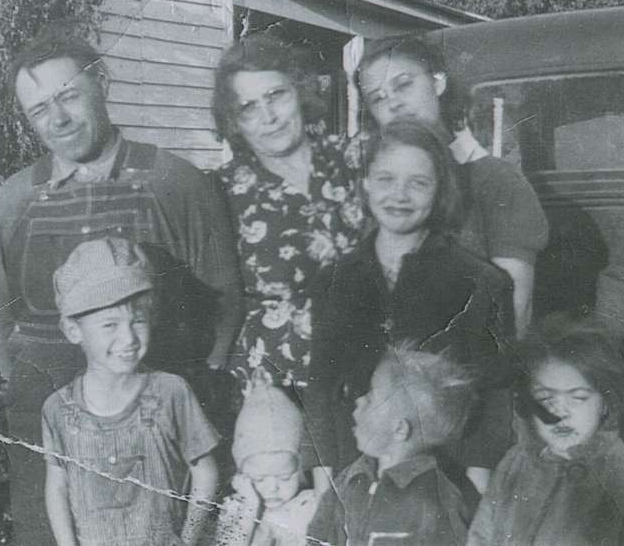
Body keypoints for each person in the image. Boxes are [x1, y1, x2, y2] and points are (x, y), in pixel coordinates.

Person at [0, 26, 243, 543]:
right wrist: (36, 393)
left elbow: (225, 302)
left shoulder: (172, 180)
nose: (58, 119)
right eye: (39, 109)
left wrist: (184, 397)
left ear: (102, 82)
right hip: (47, 425)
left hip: (153, 426)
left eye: (68, 95)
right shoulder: (15, 199)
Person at [308, 119, 514, 494]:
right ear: (366, 183)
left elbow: (496, 391)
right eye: (385, 179)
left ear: (439, 191)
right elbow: (322, 390)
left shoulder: (480, 281)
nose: (399, 195)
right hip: (354, 475)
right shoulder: (333, 280)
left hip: (444, 482)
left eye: (417, 182)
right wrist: (328, 486)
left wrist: (477, 486)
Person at [355, 35, 549, 336]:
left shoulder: (496, 182)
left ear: (438, 82)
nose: (393, 102)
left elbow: (513, 316)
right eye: (377, 98)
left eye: (404, 84)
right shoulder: (380, 192)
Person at [42, 237, 220, 546]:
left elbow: (205, 472)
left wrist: (189, 539)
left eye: (138, 321)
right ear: (73, 330)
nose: (129, 338)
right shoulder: (58, 409)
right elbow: (57, 486)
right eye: (110, 325)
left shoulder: (170, 392)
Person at [212, 34, 366, 389]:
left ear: (298, 91)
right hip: (277, 385)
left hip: (369, 372)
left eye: (275, 95)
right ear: (234, 122)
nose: (268, 117)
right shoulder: (221, 192)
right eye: (248, 108)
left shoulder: (356, 160)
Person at [467, 314, 624, 546]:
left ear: (605, 402)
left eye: (578, 398)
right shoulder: (515, 463)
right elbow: (480, 538)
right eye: (545, 398)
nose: (560, 412)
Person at [308, 344, 477, 546]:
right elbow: (318, 534)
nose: (359, 400)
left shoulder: (438, 497)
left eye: (371, 398)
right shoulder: (352, 478)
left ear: (400, 430)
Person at [212, 375, 318, 546]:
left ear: (299, 469)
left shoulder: (307, 508)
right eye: (259, 479)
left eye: (284, 477)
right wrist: (249, 508)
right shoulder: (237, 508)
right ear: (241, 475)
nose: (272, 488)